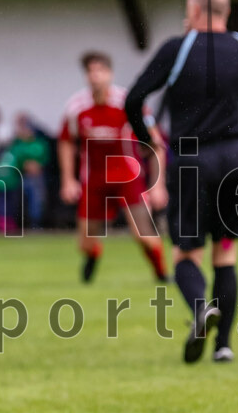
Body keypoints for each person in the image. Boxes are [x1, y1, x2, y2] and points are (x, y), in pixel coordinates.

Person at [125, 0, 238, 364]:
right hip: (236, 156)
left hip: (191, 159)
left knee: (186, 254)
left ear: (195, 11)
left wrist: (149, 136)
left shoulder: (178, 48)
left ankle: (201, 309)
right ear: (226, 12)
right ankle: (224, 346)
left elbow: (134, 98)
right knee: (226, 252)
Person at [58, 51, 168, 284]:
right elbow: (66, 142)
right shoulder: (76, 107)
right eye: (91, 72)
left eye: (100, 71)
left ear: (110, 74)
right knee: (85, 243)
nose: (95, 76)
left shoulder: (128, 104)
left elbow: (155, 143)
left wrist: (158, 185)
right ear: (86, 76)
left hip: (128, 178)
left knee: (144, 236)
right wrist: (68, 180)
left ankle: (162, 274)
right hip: (94, 180)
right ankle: (94, 255)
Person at [7, 114, 51, 229]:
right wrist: (24, 164)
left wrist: (37, 165)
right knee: (17, 197)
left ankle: (35, 223)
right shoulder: (17, 144)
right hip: (21, 175)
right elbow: (13, 158)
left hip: (37, 176)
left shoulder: (39, 143)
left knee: (37, 197)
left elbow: (45, 158)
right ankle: (18, 222)